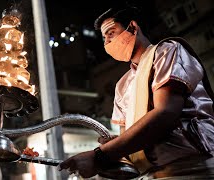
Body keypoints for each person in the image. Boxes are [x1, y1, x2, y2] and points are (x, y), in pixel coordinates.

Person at [58, 6, 214, 179]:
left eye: (111, 33)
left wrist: (100, 156)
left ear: (132, 27)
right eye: (104, 38)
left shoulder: (167, 52)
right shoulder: (122, 86)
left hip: (194, 165)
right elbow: (128, 138)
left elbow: (166, 113)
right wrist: (115, 148)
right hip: (150, 174)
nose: (107, 43)